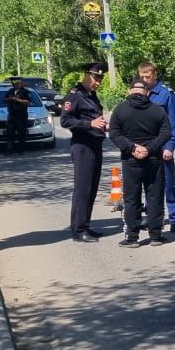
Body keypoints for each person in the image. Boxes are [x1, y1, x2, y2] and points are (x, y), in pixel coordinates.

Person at [108, 75, 172, 247]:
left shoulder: (120, 110)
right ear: (148, 92)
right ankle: (156, 235)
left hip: (131, 161)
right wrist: (149, 148)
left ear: (130, 90)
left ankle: (132, 237)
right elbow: (166, 133)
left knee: (131, 198)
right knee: (155, 197)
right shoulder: (157, 110)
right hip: (154, 160)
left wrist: (132, 148)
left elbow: (113, 134)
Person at [61, 62, 109, 242]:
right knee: (82, 189)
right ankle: (78, 230)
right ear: (86, 75)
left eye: (100, 78)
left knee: (92, 188)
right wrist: (89, 124)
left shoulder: (91, 95)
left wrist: (103, 125)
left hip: (95, 144)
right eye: (95, 78)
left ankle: (86, 225)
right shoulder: (75, 95)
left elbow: (94, 117)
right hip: (82, 147)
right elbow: (65, 121)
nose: (98, 82)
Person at [138, 61, 175, 233]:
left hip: (162, 147)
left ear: (155, 75)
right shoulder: (140, 93)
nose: (145, 80)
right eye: (142, 77)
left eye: (148, 77)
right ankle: (152, 215)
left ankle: (173, 216)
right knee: (150, 184)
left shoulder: (165, 95)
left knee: (168, 184)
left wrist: (170, 146)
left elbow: (174, 124)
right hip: (146, 147)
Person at [4, 77, 32, 153]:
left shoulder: (25, 91)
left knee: (21, 133)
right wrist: (9, 99)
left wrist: (18, 100)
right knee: (10, 133)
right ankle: (9, 149)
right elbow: (4, 99)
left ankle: (21, 149)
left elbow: (28, 102)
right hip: (12, 115)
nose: (16, 85)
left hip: (21, 115)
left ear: (21, 84)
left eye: (17, 83)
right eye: (14, 84)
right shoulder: (10, 91)